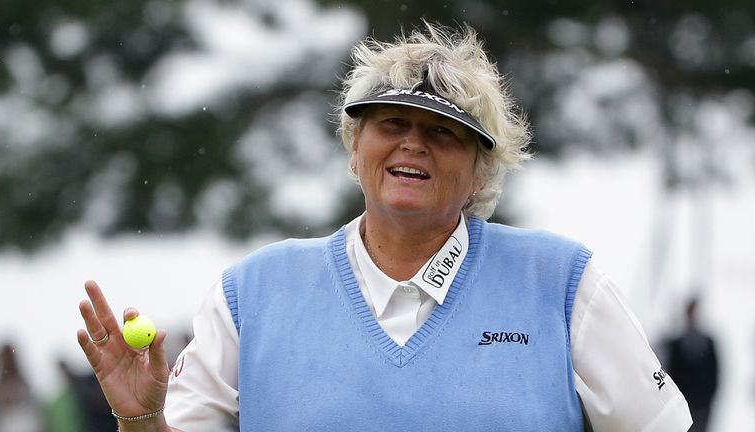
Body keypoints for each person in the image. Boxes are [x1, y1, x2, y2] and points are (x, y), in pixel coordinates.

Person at [77, 21, 693, 431]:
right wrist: (140, 422)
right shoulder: (252, 294)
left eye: (442, 133)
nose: (413, 144)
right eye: (391, 124)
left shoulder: (561, 284)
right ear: (354, 148)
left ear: (481, 173)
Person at [664, 298, 719, 432]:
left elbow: (714, 375)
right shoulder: (676, 344)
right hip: (687, 405)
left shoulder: (706, 343)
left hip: (697, 405)